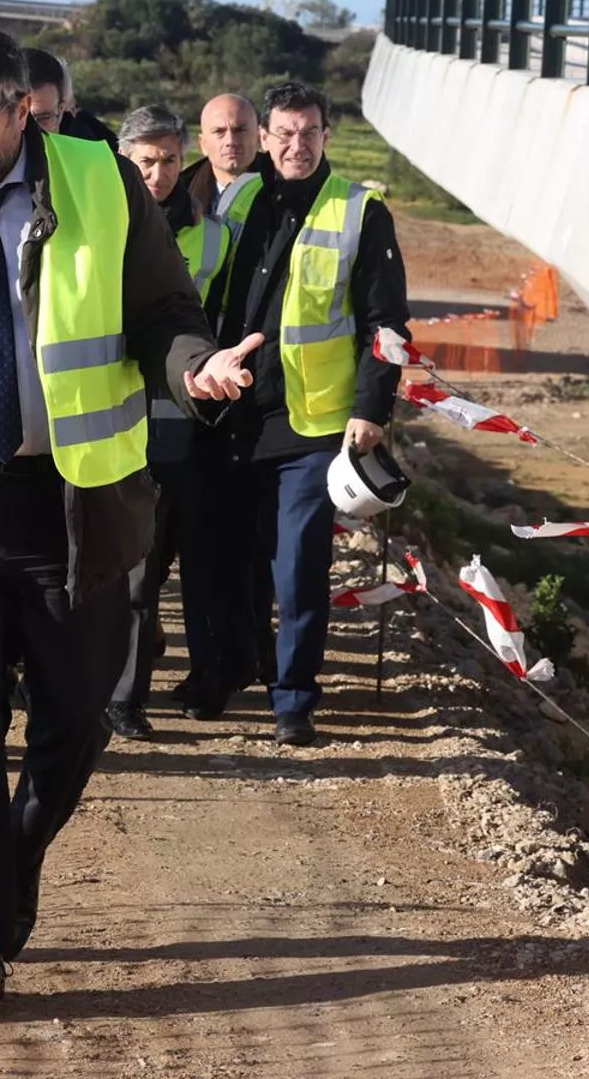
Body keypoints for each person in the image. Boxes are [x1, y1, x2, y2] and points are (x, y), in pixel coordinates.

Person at [0, 24, 260, 1019]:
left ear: (25, 106)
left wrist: (195, 367)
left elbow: (162, 308)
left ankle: (15, 849)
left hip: (74, 500)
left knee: (77, 715)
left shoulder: (97, 182)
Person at [209, 82, 411, 747]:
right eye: (285, 134)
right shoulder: (236, 201)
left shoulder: (359, 211)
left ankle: (293, 697)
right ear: (264, 138)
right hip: (234, 412)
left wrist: (371, 408)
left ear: (328, 135)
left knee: (297, 564)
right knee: (236, 561)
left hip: (313, 424)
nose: (298, 146)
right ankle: (242, 669)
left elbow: (387, 325)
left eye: (311, 132)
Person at [170, 93, 277, 719]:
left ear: (257, 136)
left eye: (240, 129)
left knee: (234, 547)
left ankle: (233, 663)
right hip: (192, 390)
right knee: (203, 546)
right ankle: (216, 661)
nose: (230, 139)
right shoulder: (186, 195)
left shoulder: (268, 201)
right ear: (201, 138)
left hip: (245, 395)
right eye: (219, 130)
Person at [103, 105, 194, 742]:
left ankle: (125, 700)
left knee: (144, 572)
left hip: (174, 427)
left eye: (167, 161)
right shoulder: (98, 225)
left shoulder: (206, 229)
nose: (157, 174)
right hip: (103, 424)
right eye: (145, 162)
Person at [22, 48, 119, 150]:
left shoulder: (97, 160)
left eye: (44, 118)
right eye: (19, 116)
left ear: (61, 110)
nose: (30, 130)